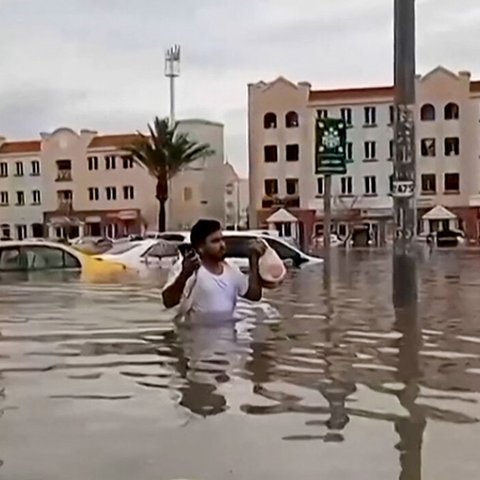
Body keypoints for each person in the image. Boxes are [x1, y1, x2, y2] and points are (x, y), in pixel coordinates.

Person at [162, 219, 266, 319]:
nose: (222, 245)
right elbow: (168, 302)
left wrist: (253, 259)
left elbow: (254, 296)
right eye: (215, 241)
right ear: (200, 248)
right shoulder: (187, 267)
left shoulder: (231, 269)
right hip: (195, 335)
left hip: (227, 335)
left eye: (222, 240)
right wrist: (184, 274)